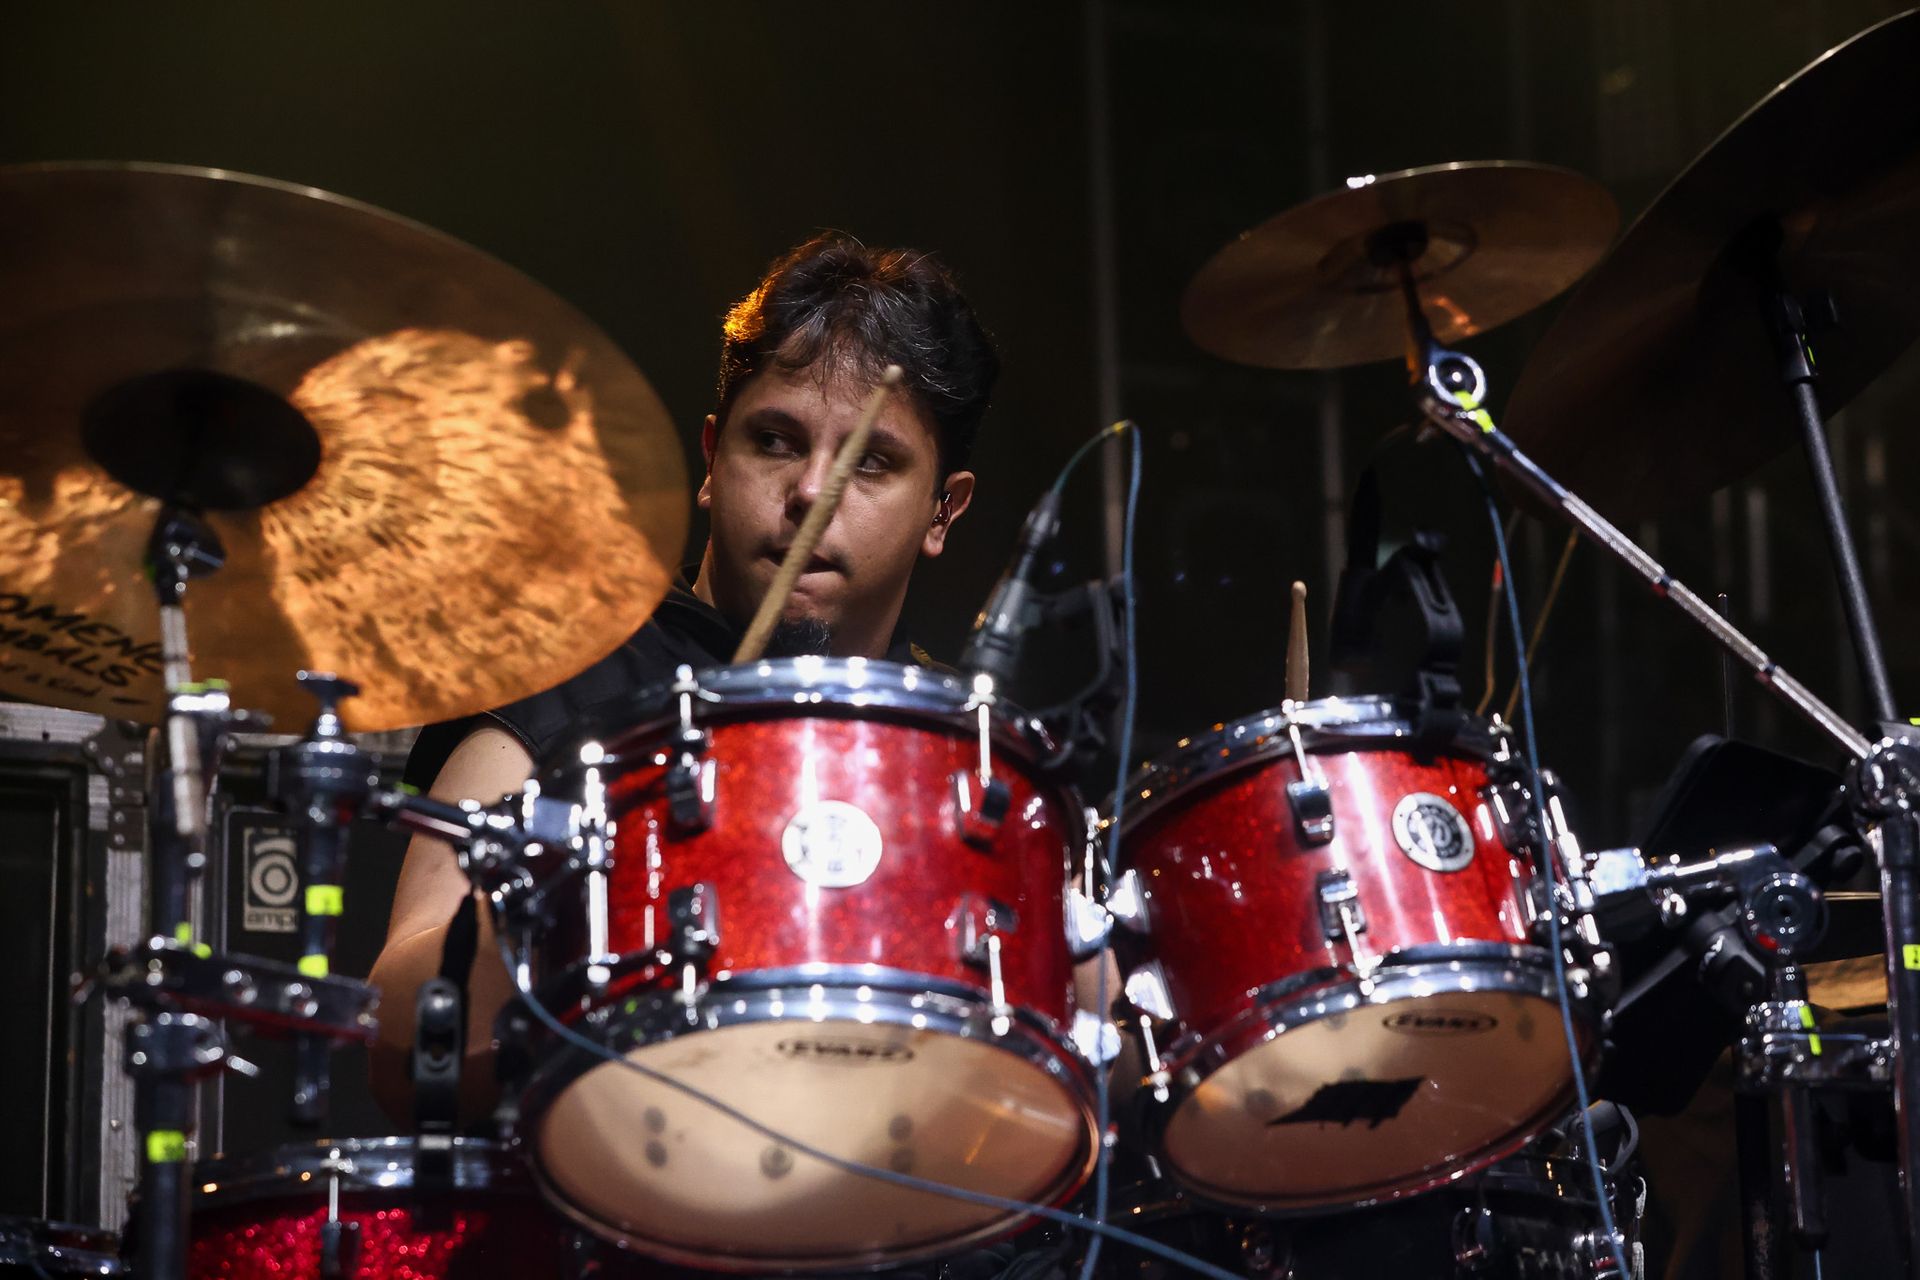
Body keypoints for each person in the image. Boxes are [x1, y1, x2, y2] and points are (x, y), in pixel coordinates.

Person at [366, 232, 998, 1119]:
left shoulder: (960, 749)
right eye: (774, 441)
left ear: (944, 510)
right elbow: (396, 1028)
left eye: (870, 462)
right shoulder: (566, 671)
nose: (812, 489)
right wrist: (579, 895)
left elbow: (1105, 1062)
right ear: (711, 460)